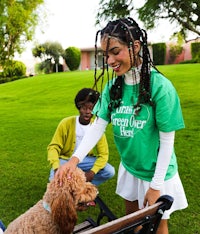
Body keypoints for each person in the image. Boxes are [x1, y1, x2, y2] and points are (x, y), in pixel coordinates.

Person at [55, 18, 188, 234]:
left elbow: (167, 143)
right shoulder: (113, 87)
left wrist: (155, 186)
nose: (110, 60)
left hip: (156, 173)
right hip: (130, 167)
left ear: (135, 47)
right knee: (131, 222)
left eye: (115, 51)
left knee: (158, 226)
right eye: (106, 54)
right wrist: (74, 160)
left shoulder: (160, 87)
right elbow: (97, 127)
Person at [47, 88, 115, 186]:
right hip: (66, 159)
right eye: (84, 108)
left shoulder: (97, 127)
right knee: (55, 180)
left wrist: (92, 172)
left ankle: (82, 187)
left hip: (86, 160)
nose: (88, 112)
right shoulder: (66, 123)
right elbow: (53, 147)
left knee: (109, 171)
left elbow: (103, 155)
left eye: (91, 108)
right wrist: (56, 167)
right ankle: (71, 188)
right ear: (79, 108)